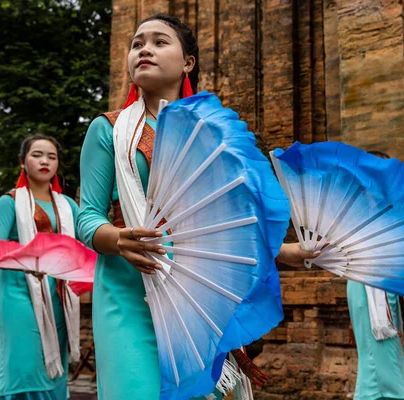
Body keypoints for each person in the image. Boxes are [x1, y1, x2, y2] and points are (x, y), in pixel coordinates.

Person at [76, 13, 314, 399]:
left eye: (159, 42)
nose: (145, 50)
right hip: (126, 286)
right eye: (137, 44)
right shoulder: (107, 129)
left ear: (188, 62)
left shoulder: (211, 137)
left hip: (197, 288)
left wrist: (289, 252)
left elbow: (232, 226)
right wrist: (119, 239)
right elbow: (86, 215)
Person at [0, 135, 79, 400]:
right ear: (23, 162)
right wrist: (27, 257)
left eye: (52, 156)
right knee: (24, 363)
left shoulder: (69, 206)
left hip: (59, 294)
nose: (45, 161)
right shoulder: (9, 202)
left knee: (53, 366)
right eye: (37, 155)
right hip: (19, 293)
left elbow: (87, 243)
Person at [346, 150, 404, 400]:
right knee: (378, 358)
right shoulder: (360, 209)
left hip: (384, 284)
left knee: (384, 355)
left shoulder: (386, 210)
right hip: (368, 284)